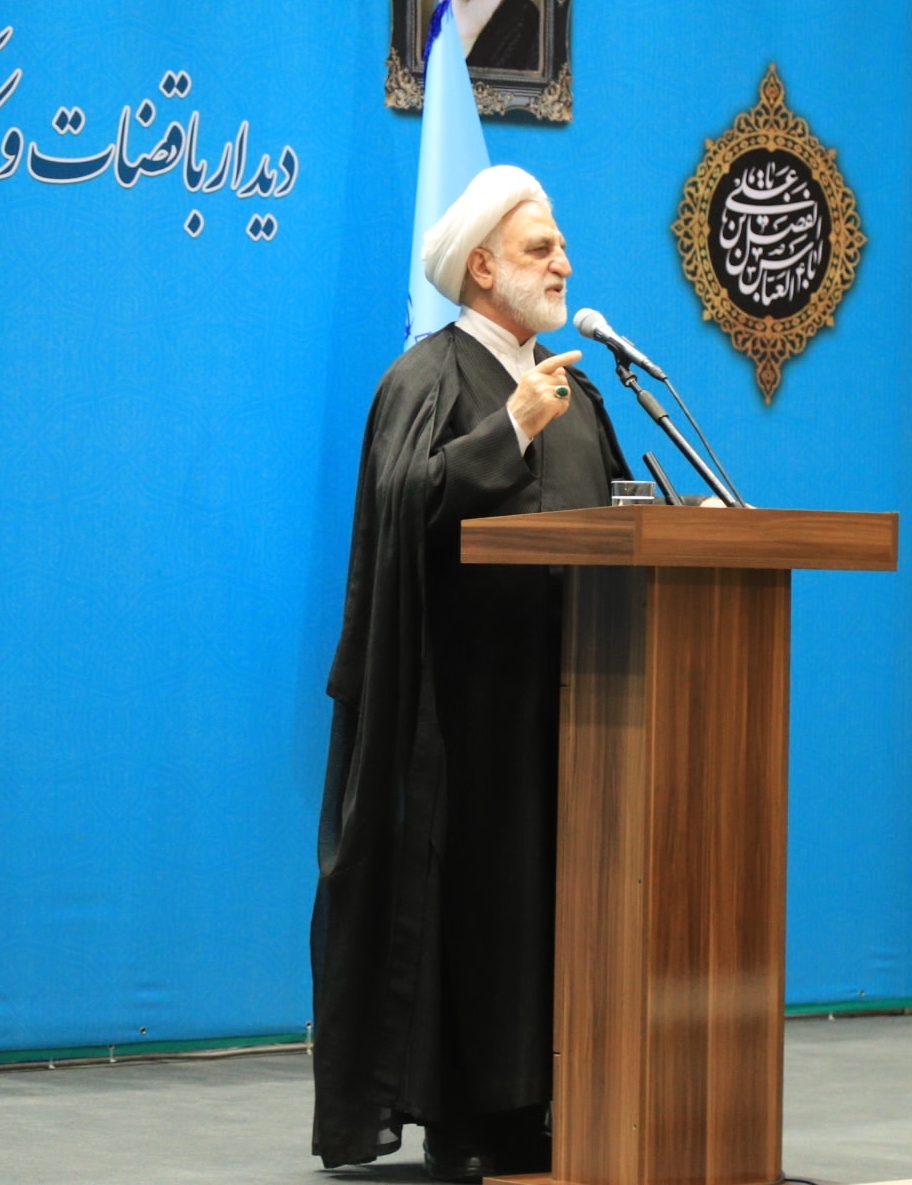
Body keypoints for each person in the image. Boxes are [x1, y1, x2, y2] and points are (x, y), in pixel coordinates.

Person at [311, 166, 630, 1182]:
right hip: (454, 713)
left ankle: (542, 1101)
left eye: (562, 246)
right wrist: (512, 428)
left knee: (552, 908)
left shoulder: (574, 391)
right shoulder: (428, 378)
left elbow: (619, 514)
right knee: (471, 912)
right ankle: (462, 1114)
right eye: (541, 249)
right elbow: (403, 505)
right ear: (482, 266)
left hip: (572, 705)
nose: (563, 263)